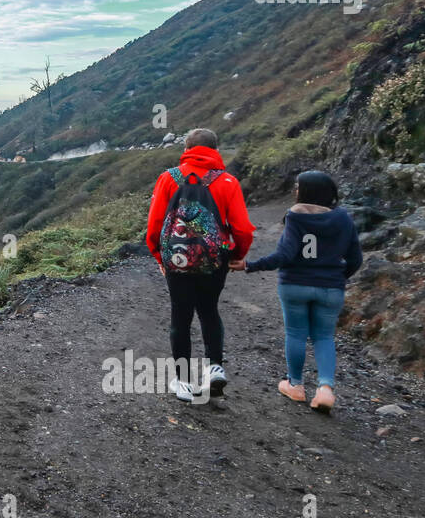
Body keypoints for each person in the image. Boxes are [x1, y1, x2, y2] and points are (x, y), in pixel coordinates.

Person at [231, 170, 362, 413]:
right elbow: (355, 259)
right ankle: (325, 389)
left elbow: (284, 255)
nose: (295, 191)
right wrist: (336, 278)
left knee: (296, 333)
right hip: (330, 287)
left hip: (295, 286)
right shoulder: (343, 218)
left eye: (298, 187)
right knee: (324, 337)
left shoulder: (295, 217)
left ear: (308, 192)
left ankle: (295, 385)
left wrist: (250, 265)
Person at [146, 128, 254, 401]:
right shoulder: (228, 181)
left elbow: (155, 224)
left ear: (186, 150)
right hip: (214, 260)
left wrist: (160, 256)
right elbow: (243, 229)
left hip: (177, 260)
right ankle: (214, 368)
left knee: (180, 317)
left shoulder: (168, 179)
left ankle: (183, 382)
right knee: (209, 311)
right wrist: (235, 255)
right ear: (215, 149)